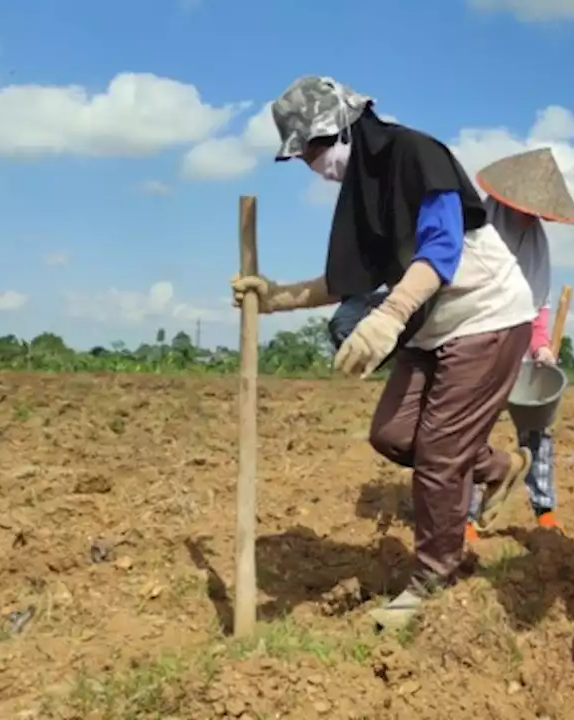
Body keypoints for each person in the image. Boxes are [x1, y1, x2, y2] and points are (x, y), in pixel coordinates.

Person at [229, 76, 537, 629]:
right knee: (393, 435)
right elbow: (348, 278)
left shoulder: (415, 154)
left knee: (441, 455)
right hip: (432, 325)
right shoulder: (363, 190)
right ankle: (498, 466)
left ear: (344, 127)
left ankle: (432, 579)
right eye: (302, 156)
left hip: (485, 315)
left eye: (315, 148)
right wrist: (275, 298)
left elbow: (441, 250)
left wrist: (389, 316)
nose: (313, 163)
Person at [464, 148, 574, 542]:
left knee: (537, 429)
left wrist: (541, 347)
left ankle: (543, 508)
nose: (526, 216)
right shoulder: (476, 232)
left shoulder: (536, 243)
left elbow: (537, 303)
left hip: (517, 343)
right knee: (470, 428)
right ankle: (465, 514)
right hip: (476, 339)